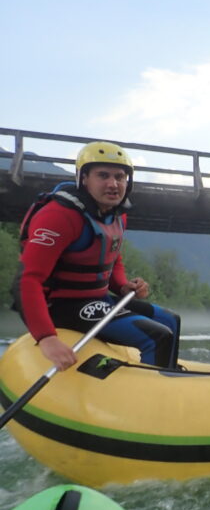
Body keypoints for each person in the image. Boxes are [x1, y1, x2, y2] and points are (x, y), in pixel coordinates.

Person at [13, 141, 181, 372]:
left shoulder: (117, 215)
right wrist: (46, 338)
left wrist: (122, 286)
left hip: (98, 298)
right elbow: (27, 280)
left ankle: (167, 373)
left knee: (171, 320)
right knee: (157, 337)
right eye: (103, 175)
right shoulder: (58, 216)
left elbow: (113, 257)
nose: (113, 184)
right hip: (61, 305)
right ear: (84, 178)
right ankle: (155, 396)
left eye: (120, 177)